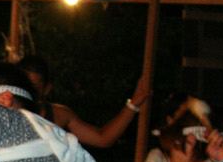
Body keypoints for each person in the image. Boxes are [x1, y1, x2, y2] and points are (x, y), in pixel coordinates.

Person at [20, 55, 150, 149]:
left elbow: (103, 138)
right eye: (23, 87)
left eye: (34, 89)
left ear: (46, 89)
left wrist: (132, 105)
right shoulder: (3, 113)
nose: (27, 94)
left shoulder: (59, 115)